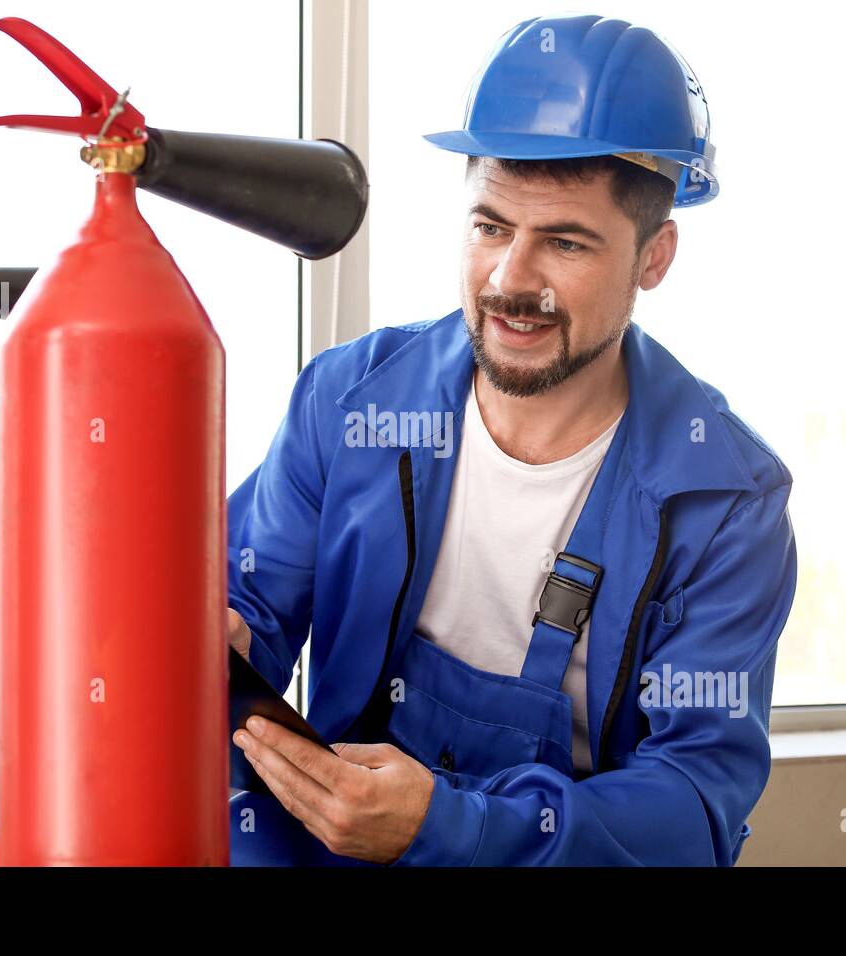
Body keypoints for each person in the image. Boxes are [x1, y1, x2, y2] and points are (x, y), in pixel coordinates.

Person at [226, 12, 798, 866]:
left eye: (564, 242)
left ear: (654, 257)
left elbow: (693, 804)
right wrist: (222, 637)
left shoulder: (725, 500)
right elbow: (255, 616)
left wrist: (449, 828)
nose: (509, 280)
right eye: (491, 226)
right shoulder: (350, 402)